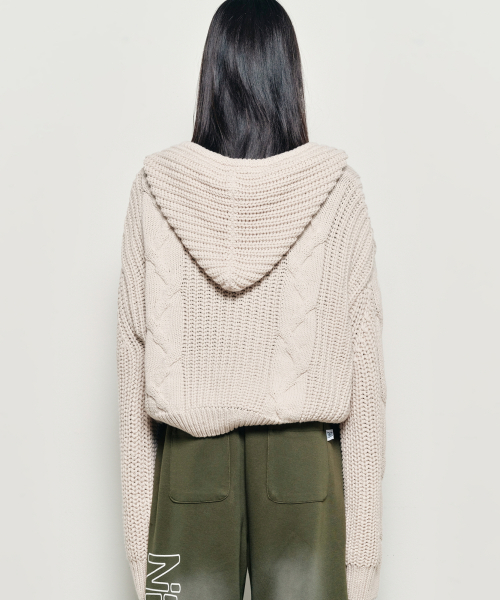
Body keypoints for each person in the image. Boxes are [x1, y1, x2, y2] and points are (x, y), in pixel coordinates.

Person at [116, 1, 386, 599]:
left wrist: (142, 552)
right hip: (304, 468)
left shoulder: (153, 191)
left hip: (187, 465)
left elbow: (132, 382)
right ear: (290, 79)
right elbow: (365, 383)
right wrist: (362, 558)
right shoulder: (338, 192)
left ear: (210, 76)